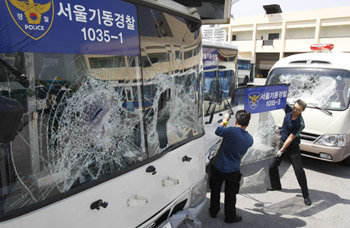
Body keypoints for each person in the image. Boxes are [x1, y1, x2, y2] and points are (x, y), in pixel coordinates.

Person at [209, 110, 254, 223]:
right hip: (233, 170)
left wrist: (225, 119)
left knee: (215, 190)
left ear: (236, 121)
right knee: (231, 195)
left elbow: (218, 130)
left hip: (218, 167)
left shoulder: (231, 131)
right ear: (247, 124)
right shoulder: (250, 139)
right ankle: (230, 217)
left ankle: (213, 212)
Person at [267, 99, 312, 206]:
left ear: (302, 111)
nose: (294, 110)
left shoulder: (300, 123)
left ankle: (306, 195)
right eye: (294, 107)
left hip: (292, 146)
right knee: (272, 166)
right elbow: (281, 100)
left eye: (298, 109)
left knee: (299, 171)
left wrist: (281, 151)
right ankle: (276, 185)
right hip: (282, 142)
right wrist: (283, 88)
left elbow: (290, 138)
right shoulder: (289, 111)